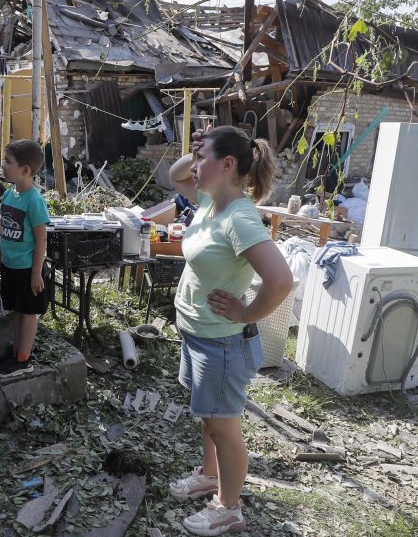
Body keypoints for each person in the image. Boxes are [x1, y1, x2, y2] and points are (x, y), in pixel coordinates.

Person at [166, 125, 293, 536]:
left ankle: (228, 507)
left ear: (227, 165)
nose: (194, 164)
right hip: (197, 333)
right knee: (209, 417)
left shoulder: (240, 217)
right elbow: (175, 175)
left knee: (225, 427)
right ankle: (210, 474)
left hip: (220, 342)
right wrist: (198, 147)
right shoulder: (209, 202)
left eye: (202, 158)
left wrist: (247, 313)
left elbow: (281, 281)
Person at [0, 139, 51, 377]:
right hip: (10, 266)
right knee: (16, 309)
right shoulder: (8, 195)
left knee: (28, 313)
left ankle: (23, 359)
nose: (3, 166)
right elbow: (5, 232)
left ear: (25, 170)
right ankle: (16, 350)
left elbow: (41, 241)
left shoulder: (34, 202)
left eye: (7, 162)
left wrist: (37, 272)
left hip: (27, 270)